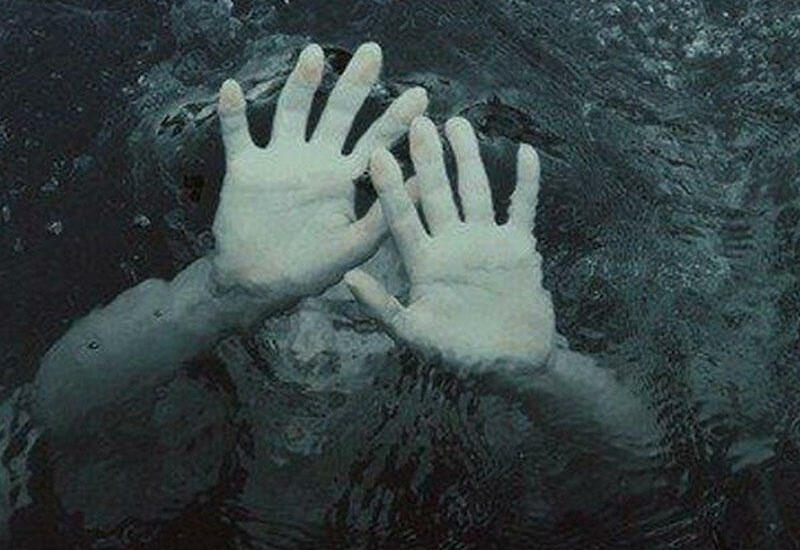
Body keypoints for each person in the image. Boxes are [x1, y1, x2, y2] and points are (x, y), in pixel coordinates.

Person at [21, 42, 660, 545]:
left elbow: (649, 482)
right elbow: (46, 412)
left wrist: (542, 375)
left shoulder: (476, 414)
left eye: (359, 324)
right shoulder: (192, 404)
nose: (312, 350)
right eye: (288, 308)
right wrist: (221, 298)